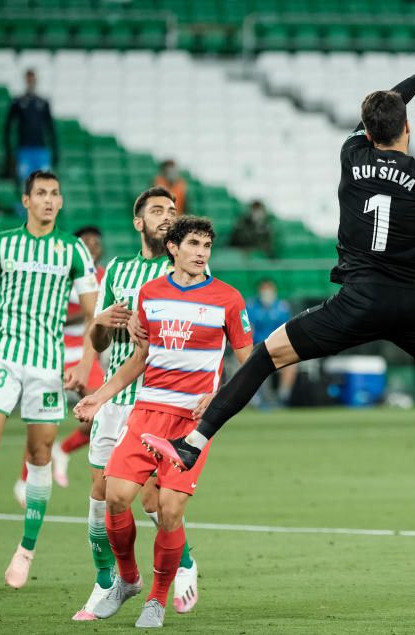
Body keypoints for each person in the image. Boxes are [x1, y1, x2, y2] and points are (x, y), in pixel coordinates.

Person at [140, 30, 415, 474]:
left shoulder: (352, 154)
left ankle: (192, 444)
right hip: (413, 306)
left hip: (357, 303)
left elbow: (384, 108)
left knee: (265, 356)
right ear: (407, 129)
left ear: (368, 132)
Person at [74, 216, 254, 628]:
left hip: (191, 423)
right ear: (173, 247)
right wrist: (100, 398)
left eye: (207, 246)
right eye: (193, 244)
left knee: (169, 512)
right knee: (115, 497)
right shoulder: (150, 294)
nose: (201, 252)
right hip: (146, 412)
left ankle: (156, 599)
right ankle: (128, 580)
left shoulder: (228, 298)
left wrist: (218, 396)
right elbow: (141, 359)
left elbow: (251, 362)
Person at [0, 170, 98, 588]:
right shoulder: (1, 242)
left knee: (40, 454)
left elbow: (93, 315)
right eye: (41, 193)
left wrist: (85, 365)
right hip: (5, 357)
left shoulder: (73, 250)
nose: (49, 200)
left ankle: (25, 550)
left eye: (55, 193)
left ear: (61, 202)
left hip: (47, 365)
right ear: (26, 200)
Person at [68, 187, 207, 620]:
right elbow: (99, 337)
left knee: (149, 500)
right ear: (138, 222)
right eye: (157, 210)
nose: (167, 215)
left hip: (158, 401)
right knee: (100, 496)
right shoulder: (119, 271)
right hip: (115, 398)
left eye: (171, 209)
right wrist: (100, 324)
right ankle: (106, 581)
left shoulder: (184, 268)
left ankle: (182, 563)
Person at [13, 225, 107, 505]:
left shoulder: (104, 277)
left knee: (103, 415)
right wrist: (91, 316)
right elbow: (47, 314)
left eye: (96, 242)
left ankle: (63, 450)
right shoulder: (58, 276)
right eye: (86, 241)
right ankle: (24, 479)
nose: (91, 246)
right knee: (41, 421)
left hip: (86, 354)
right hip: (52, 352)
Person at [244, 279, 295, 407]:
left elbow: (286, 330)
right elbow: (247, 330)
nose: (267, 293)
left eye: (269, 289)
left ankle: (282, 397)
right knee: (254, 361)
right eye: (264, 289)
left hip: (277, 348)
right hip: (257, 348)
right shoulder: (250, 306)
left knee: (292, 364)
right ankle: (257, 399)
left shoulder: (282, 307)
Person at [4, 69, 57, 185]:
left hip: (41, 150)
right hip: (24, 149)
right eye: (29, 78)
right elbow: (8, 127)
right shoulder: (18, 102)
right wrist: (9, 151)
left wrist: (55, 150)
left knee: (44, 183)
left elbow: (51, 128)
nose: (31, 81)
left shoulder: (43, 102)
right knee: (26, 183)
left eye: (33, 78)